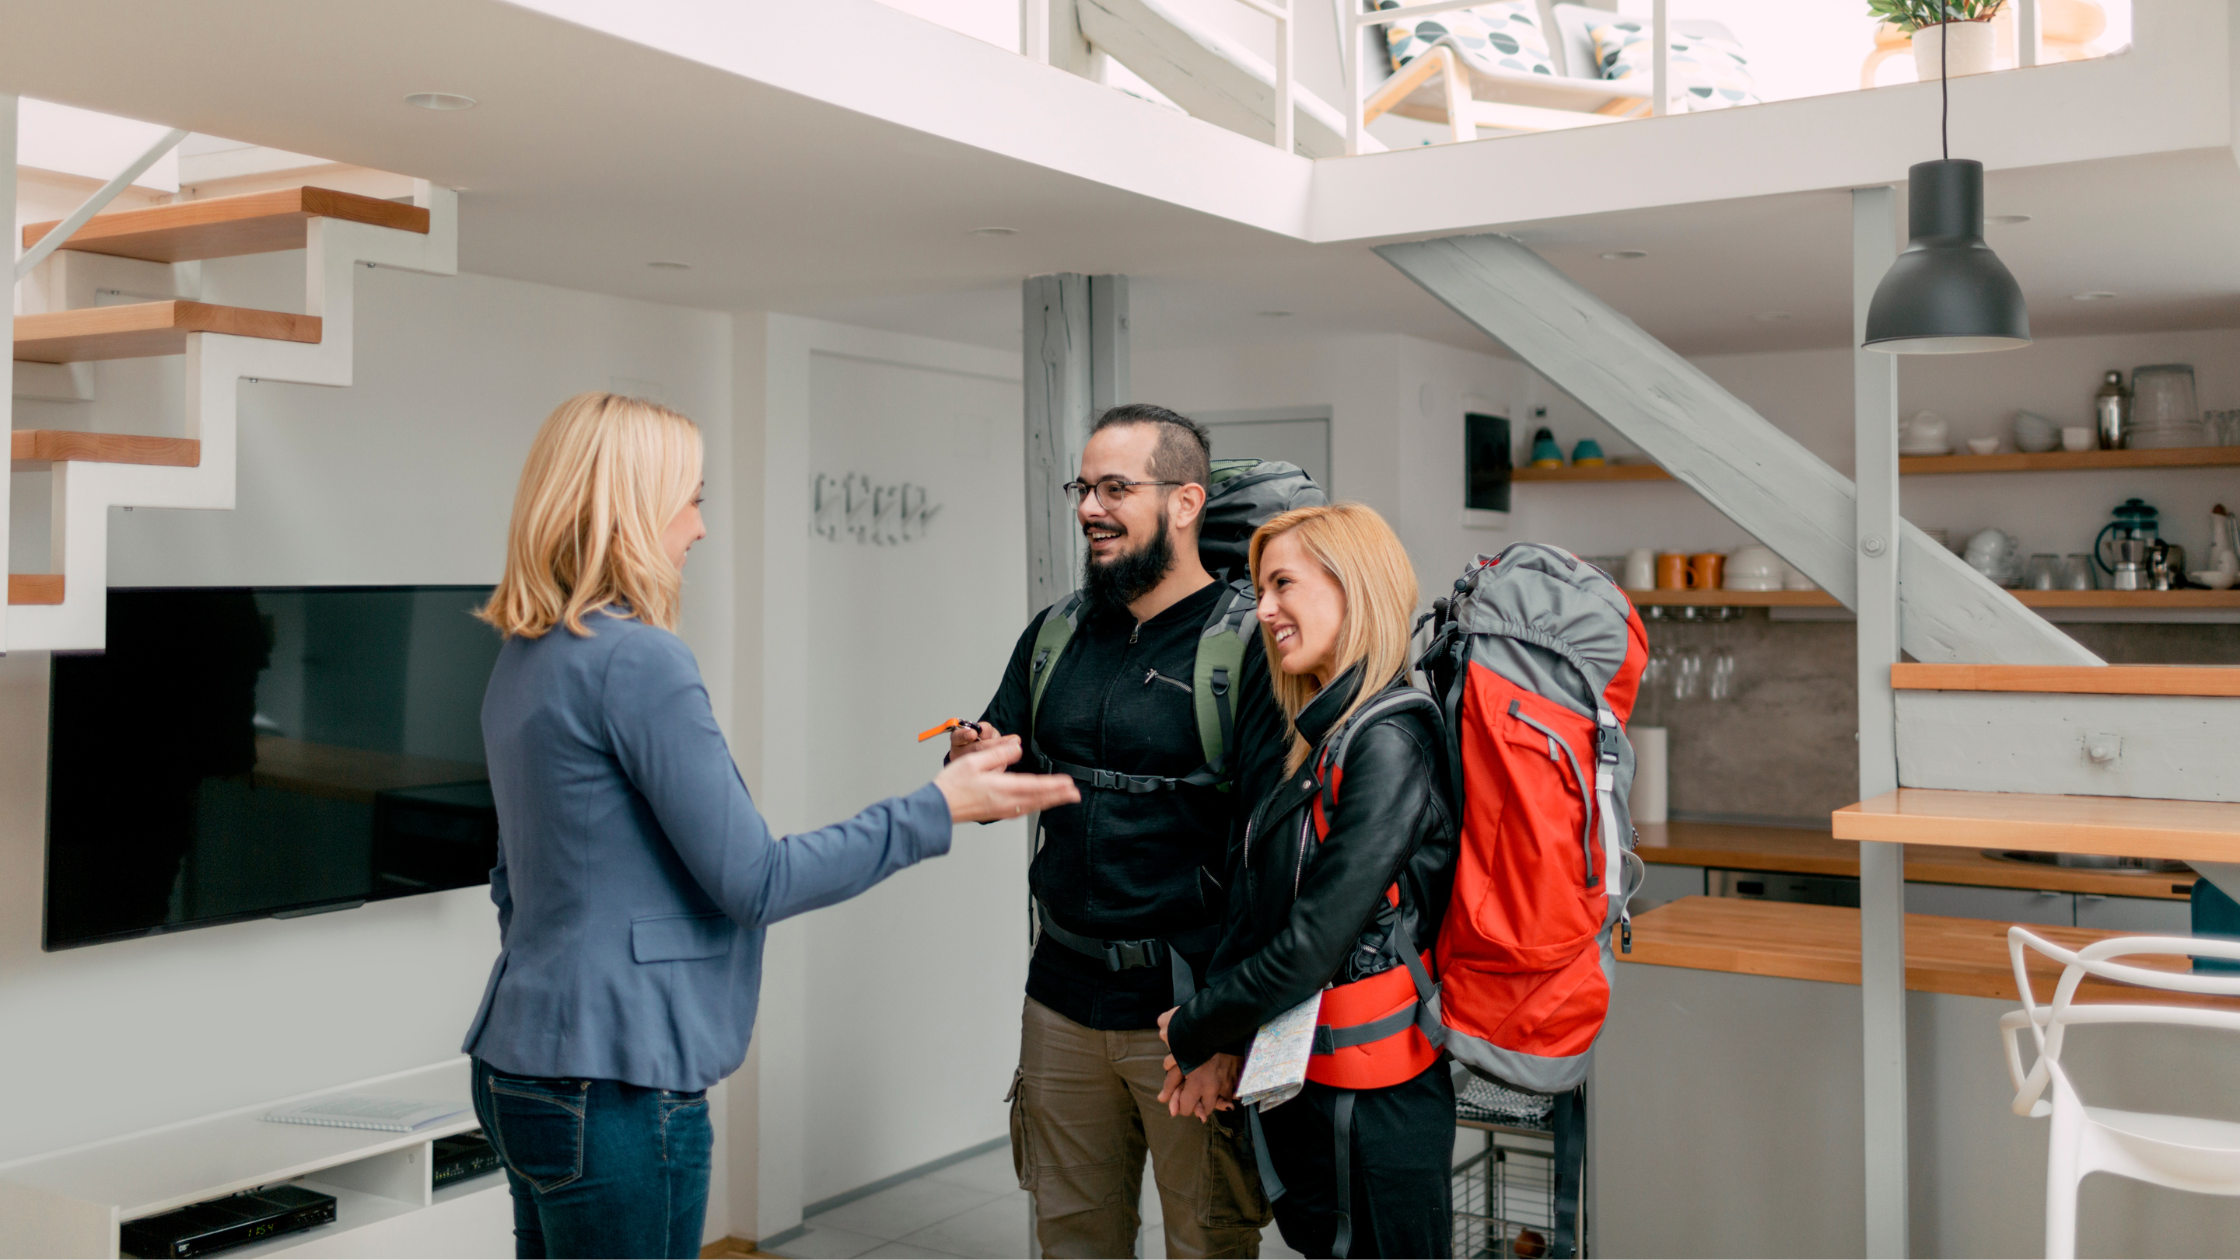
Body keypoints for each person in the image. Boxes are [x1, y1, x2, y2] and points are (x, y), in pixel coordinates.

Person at [461, 393, 1078, 1260]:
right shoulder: (639, 659)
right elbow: (757, 879)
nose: (699, 529)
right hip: (619, 1085)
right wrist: (938, 806)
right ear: (633, 508)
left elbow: (512, 878)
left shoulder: (526, 655)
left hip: (521, 1062)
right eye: (693, 498)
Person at [950, 403, 1286, 1258]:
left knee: (1205, 1243)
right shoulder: (1057, 632)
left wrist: (1223, 1030)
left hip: (1183, 1018)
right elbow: (998, 785)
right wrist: (976, 761)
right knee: (1070, 1243)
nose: (1089, 508)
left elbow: (1268, 861)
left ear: (1184, 502)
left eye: (1114, 488)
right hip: (1059, 1000)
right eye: (1083, 487)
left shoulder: (1245, 649)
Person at [1160, 502, 1459, 1260]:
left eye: (1282, 584)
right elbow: (1263, 902)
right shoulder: (1326, 739)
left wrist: (1198, 1023)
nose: (1264, 610)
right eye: (1261, 589)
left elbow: (1309, 945)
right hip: (1323, 1097)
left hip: (1376, 1109)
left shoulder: (1391, 740)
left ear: (1351, 586)